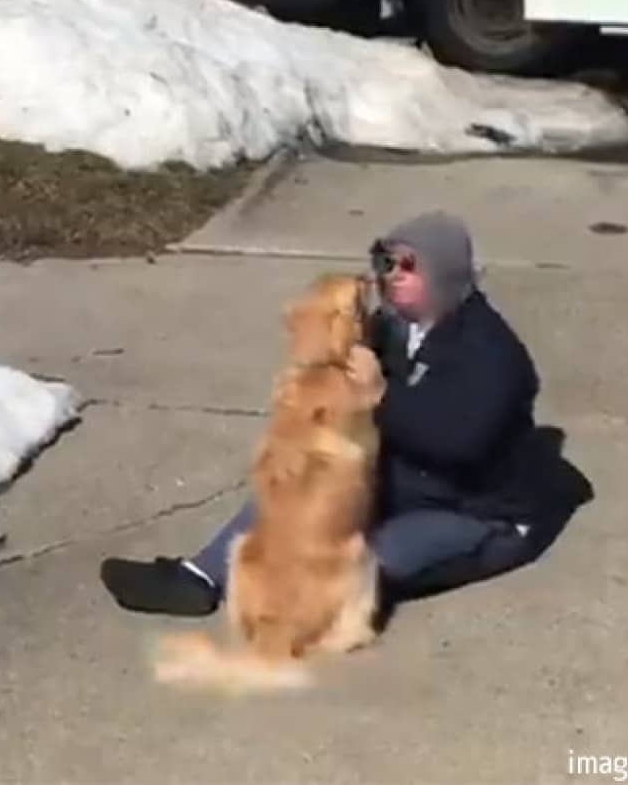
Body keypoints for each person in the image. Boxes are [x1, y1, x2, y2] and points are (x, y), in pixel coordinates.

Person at [100, 211, 561, 616]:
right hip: (408, 482)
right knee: (296, 478)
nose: (393, 276)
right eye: (386, 263)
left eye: (409, 266)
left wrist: (381, 396)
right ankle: (198, 577)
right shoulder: (396, 326)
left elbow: (459, 444)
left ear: (445, 274)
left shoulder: (493, 356)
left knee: (362, 568)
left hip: (478, 510)